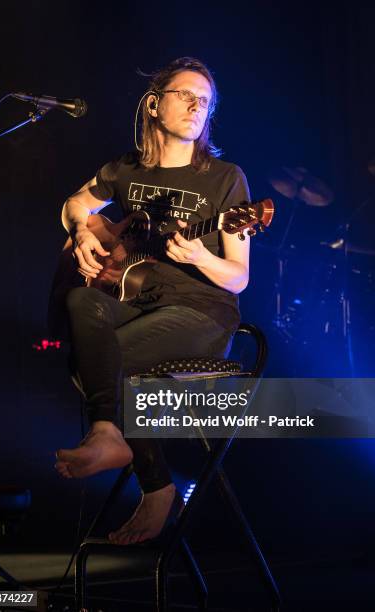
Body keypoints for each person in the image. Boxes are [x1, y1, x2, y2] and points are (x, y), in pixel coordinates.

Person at [55, 57, 251, 545]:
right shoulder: (126, 169)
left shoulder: (225, 179)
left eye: (204, 101)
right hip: (137, 302)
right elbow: (75, 203)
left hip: (202, 314)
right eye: (184, 95)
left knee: (97, 362)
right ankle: (132, 458)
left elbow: (239, 277)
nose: (195, 106)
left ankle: (134, 462)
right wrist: (82, 229)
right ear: (153, 104)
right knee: (82, 305)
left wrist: (199, 259)